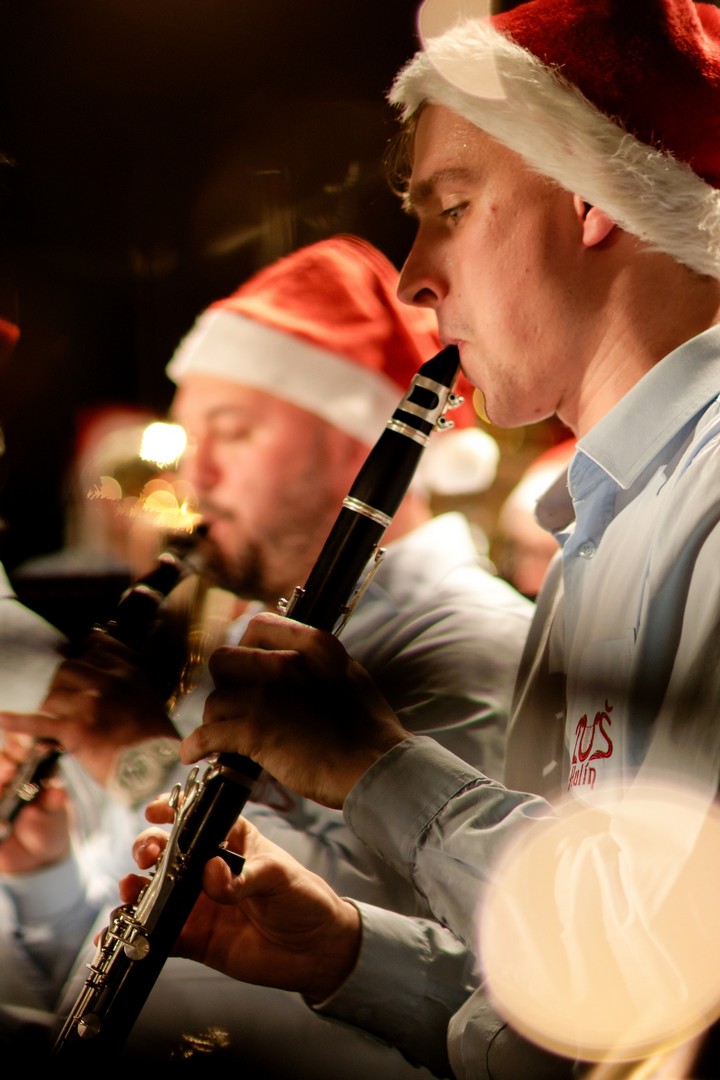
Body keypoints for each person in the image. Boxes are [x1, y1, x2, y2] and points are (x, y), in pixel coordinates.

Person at [126, 1, 720, 1077]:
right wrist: (348, 954)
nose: (414, 278)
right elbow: (575, 1016)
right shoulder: (604, 523)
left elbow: (668, 967)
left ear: (591, 193)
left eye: (451, 207)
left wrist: (374, 766)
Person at [0, 235, 533, 1074]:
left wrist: (138, 758)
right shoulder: (253, 638)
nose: (198, 477)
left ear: (358, 442)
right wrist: (46, 871)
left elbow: (391, 956)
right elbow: (152, 952)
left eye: (234, 432)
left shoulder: (470, 644)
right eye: (190, 439)